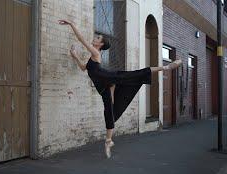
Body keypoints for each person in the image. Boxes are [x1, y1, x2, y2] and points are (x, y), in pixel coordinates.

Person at [58, 19, 182, 158]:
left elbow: (81, 39)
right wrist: (75, 56)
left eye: (98, 38)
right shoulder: (91, 59)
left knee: (136, 74)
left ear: (100, 44)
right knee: (109, 112)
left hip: (111, 78)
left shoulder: (96, 54)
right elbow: (83, 68)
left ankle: (166, 67)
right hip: (105, 88)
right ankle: (108, 141)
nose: (95, 38)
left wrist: (71, 23)